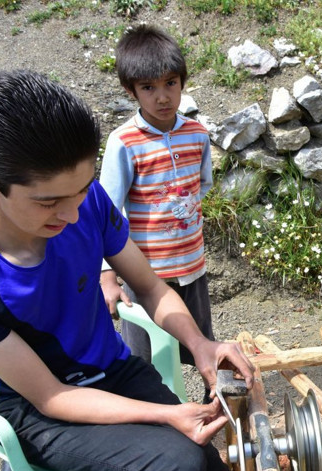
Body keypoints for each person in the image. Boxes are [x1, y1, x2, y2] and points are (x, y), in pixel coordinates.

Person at [0, 69, 254, 471]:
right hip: (38, 410)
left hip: (112, 369)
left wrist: (201, 344)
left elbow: (150, 287)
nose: (71, 213)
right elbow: (50, 397)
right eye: (48, 202)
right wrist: (165, 416)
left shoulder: (90, 203)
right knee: (175, 466)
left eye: (81, 190)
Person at [99, 24, 215, 366]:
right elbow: (106, 211)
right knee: (143, 360)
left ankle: (214, 397)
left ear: (182, 81)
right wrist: (107, 274)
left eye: (170, 83)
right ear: (130, 90)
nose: (162, 97)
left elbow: (201, 185)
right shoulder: (124, 142)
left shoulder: (197, 134)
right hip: (144, 275)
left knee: (202, 347)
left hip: (192, 267)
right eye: (148, 87)